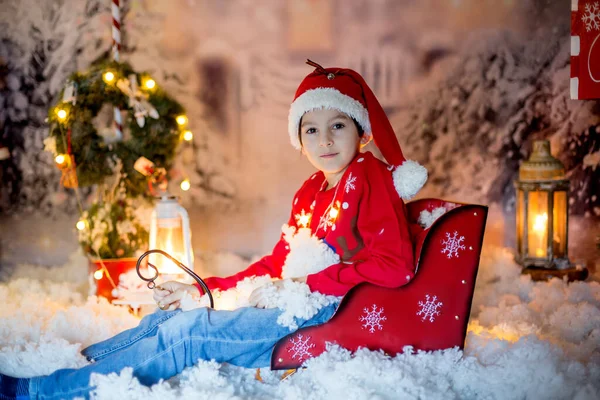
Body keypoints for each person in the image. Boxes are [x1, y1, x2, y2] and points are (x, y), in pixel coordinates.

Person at [0, 60, 427, 399]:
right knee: (172, 316)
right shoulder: (313, 189)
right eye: (311, 130)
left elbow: (395, 266)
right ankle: (79, 364)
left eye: (338, 125)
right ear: (300, 140)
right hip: (293, 298)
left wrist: (305, 283)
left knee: (191, 334)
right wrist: (207, 288)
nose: (325, 140)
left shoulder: (368, 176)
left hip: (322, 313)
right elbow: (277, 263)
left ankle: (42, 392)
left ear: (362, 133)